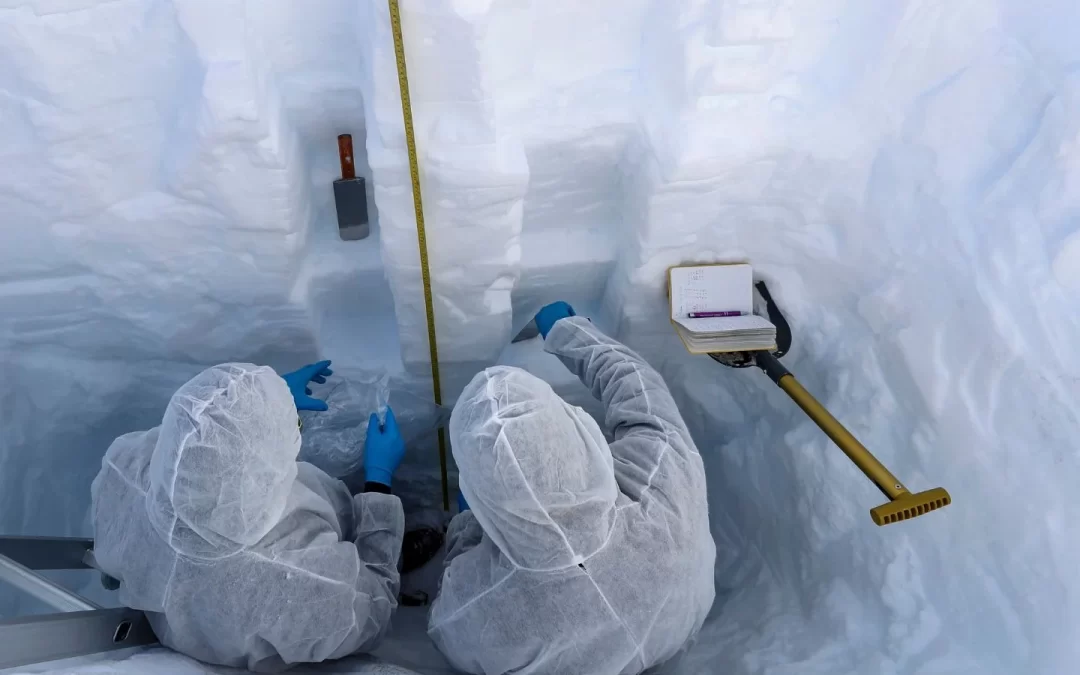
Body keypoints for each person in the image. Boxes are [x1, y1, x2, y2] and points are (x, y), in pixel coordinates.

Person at [428, 302, 717, 675]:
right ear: (572, 427)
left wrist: (467, 524)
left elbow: (443, 621)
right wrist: (570, 330)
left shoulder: (484, 610)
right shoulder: (663, 473)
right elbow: (637, 386)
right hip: (685, 618)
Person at [91, 361, 412, 671]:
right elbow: (374, 607)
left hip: (175, 619)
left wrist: (258, 405)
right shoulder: (292, 584)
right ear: (256, 477)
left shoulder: (127, 474)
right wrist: (379, 482)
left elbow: (197, 440)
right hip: (235, 635)